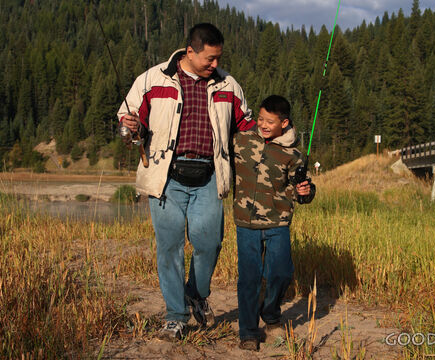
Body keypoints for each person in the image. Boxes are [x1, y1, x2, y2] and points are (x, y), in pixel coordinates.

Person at [117, 23, 254, 340]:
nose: (215, 65)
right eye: (210, 58)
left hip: (209, 176)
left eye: (218, 58)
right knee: (170, 249)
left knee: (209, 243)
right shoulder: (152, 79)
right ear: (190, 51)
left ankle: (196, 293)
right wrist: (132, 127)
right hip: (166, 179)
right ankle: (176, 316)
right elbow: (129, 127)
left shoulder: (228, 85)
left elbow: (245, 127)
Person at [232, 95, 316, 351]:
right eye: (260, 119)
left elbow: (305, 189)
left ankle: (270, 316)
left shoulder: (294, 155)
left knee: (280, 273)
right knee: (249, 277)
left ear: (284, 123)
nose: (263, 125)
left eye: (270, 121)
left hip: (278, 221)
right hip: (246, 221)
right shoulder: (242, 140)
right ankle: (248, 331)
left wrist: (306, 191)